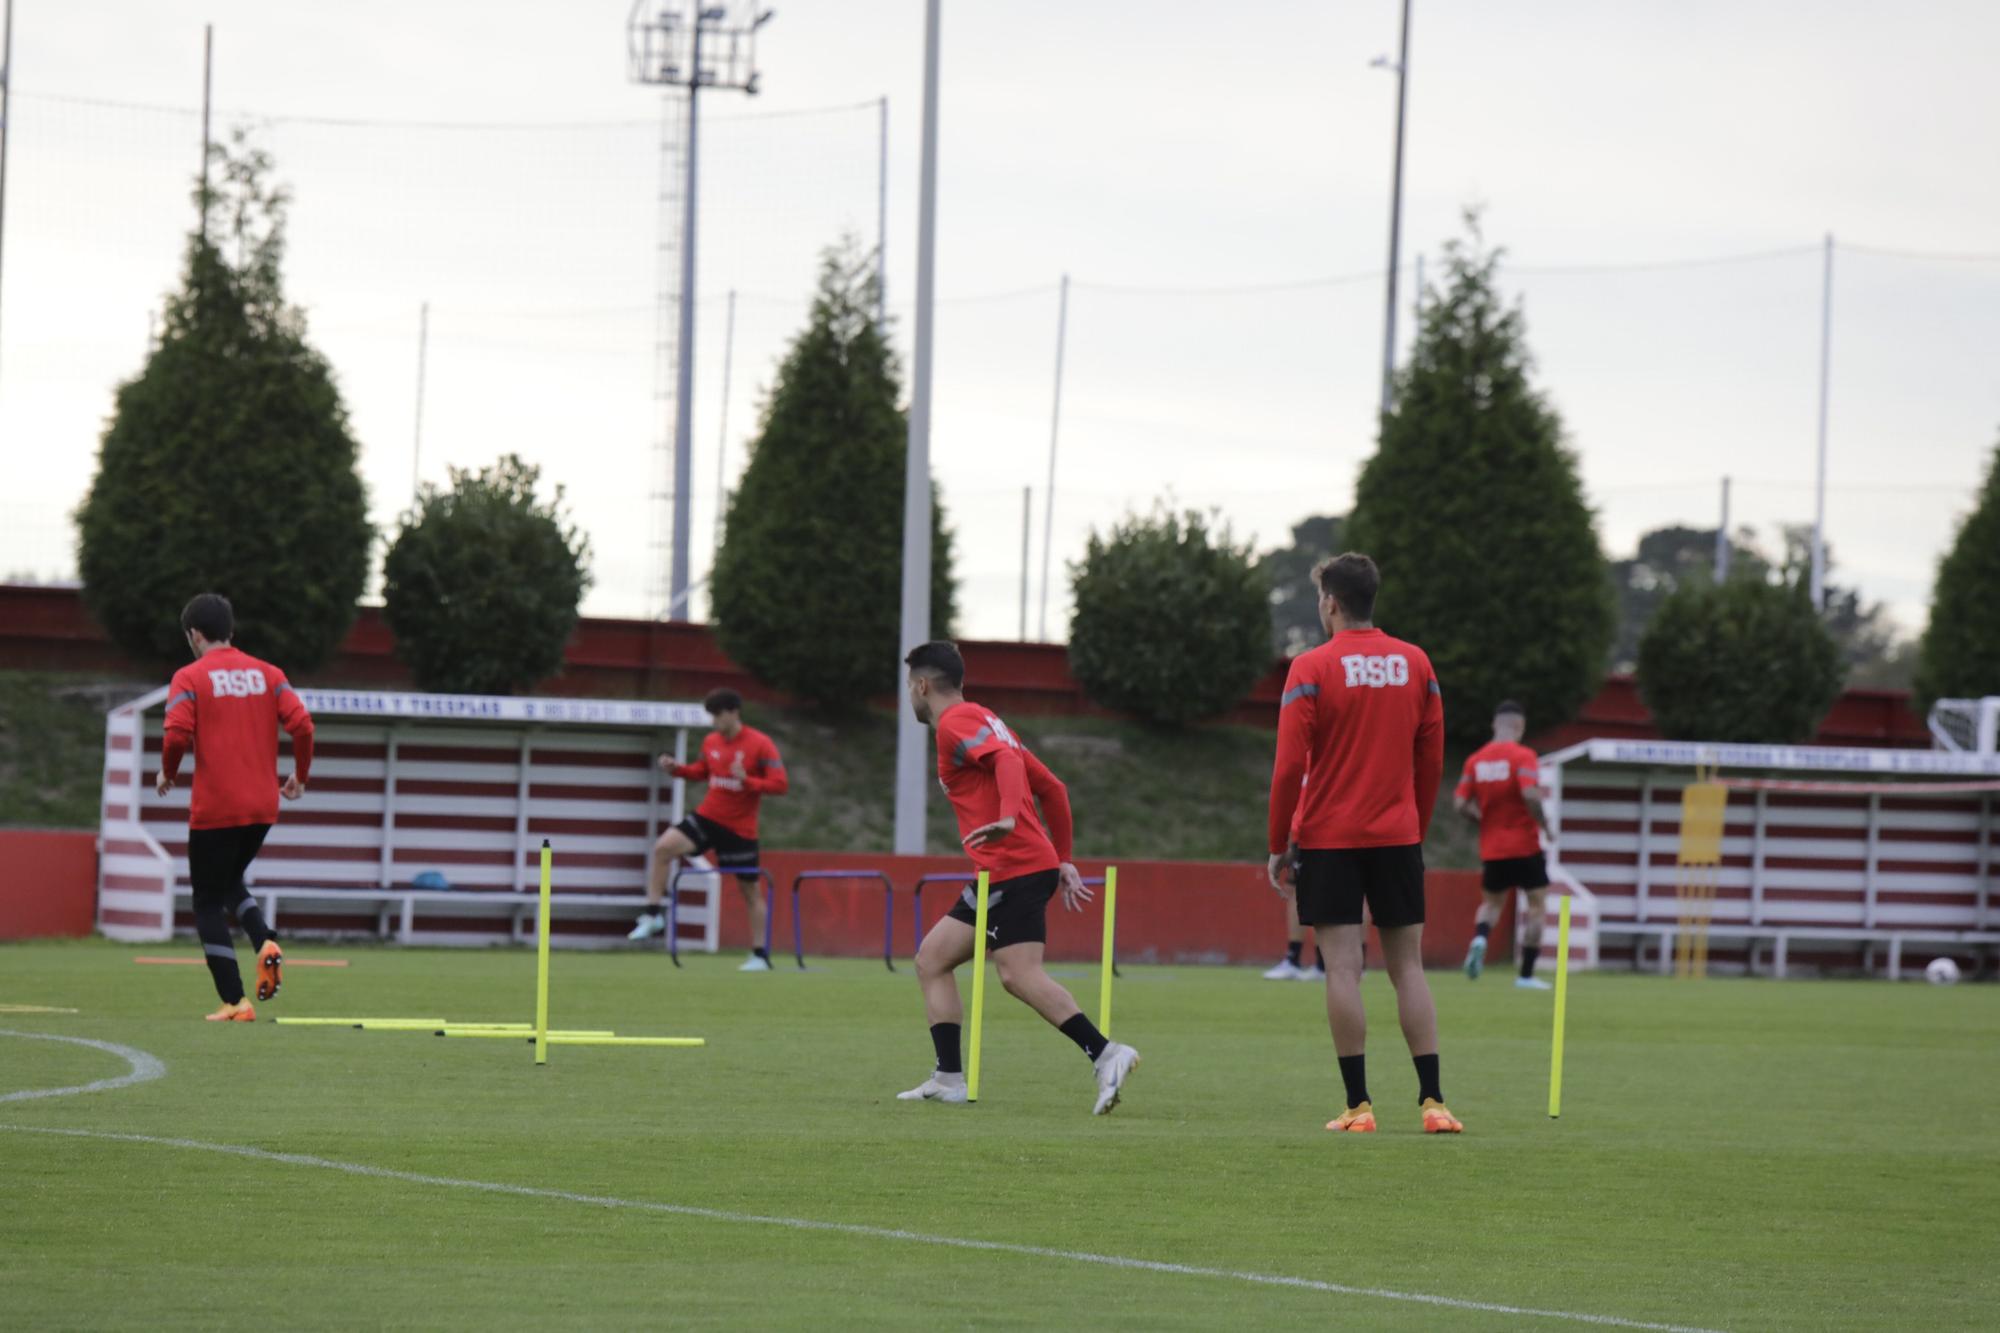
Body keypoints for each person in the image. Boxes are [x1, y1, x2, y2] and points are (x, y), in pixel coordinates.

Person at [896, 641, 1140, 1114]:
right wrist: (1063, 856)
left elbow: (1009, 767)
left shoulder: (955, 724)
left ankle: (1106, 1053)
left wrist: (1009, 818)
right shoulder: (989, 720)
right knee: (932, 959)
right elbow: (1053, 787)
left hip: (1013, 868)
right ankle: (948, 1077)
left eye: (910, 687)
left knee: (1017, 974)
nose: (910, 696)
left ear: (922, 685)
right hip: (1015, 867)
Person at [1267, 553, 1461, 1135]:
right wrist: (1414, 825)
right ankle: (1433, 1103)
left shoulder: (1310, 667)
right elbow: (1431, 757)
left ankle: (1359, 1108)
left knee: (1342, 970)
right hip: (1398, 835)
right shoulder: (1416, 664)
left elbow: (1287, 768)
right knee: (1409, 967)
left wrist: (1279, 842)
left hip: (1329, 838)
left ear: (1330, 602)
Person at [155, 593, 313, 1022]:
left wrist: (168, 773)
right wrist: (301, 775)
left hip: (216, 806)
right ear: (231, 632)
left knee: (206, 899)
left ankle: (234, 1000)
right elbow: (302, 725)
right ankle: (264, 941)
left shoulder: (189, 677)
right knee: (228, 882)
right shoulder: (269, 674)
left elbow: (175, 735)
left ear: (194, 634)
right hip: (263, 806)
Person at [628, 688, 789, 971]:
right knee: (663, 847)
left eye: (717, 715)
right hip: (708, 817)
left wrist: (748, 781)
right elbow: (702, 771)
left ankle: (760, 955)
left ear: (733, 713)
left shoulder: (760, 744)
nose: (713, 721)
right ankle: (653, 914)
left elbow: (780, 785)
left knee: (750, 892)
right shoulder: (711, 740)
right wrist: (677, 769)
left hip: (740, 830)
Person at [1454, 700, 1556, 990]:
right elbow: (1531, 795)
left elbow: (1460, 802)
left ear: (1494, 725)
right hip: (1525, 846)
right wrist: (1546, 827)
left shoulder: (1475, 760)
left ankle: (1480, 938)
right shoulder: (1523, 756)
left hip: (1493, 849)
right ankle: (1525, 975)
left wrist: (1482, 819)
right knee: (1537, 906)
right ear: (1520, 726)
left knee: (1491, 904)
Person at [1263, 781, 1324, 981]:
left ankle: (1320, 962)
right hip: (1307, 832)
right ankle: (1299, 959)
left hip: (1317, 832)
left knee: (1319, 893)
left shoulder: (1315, 755)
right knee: (1297, 891)